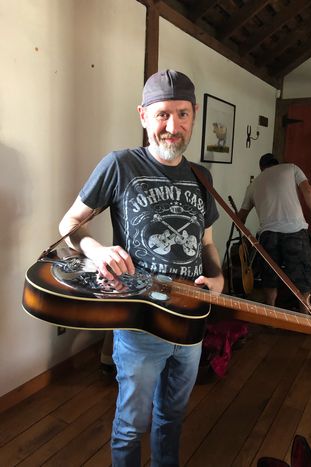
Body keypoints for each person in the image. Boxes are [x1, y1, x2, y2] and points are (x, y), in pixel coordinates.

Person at [59, 69, 224, 467]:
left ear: (194, 115)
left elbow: (206, 242)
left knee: (172, 417)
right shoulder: (120, 164)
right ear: (143, 115)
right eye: (163, 114)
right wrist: (96, 250)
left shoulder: (201, 176)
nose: (173, 126)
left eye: (182, 114)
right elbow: (69, 225)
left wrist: (217, 276)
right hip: (139, 321)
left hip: (190, 317)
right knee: (133, 424)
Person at [238, 153, 311, 311]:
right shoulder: (291, 168)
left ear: (261, 168)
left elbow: (240, 217)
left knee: (269, 276)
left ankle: (271, 310)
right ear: (277, 163)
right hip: (294, 231)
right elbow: (308, 190)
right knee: (301, 273)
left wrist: (246, 235)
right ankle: (305, 312)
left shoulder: (254, 184)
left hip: (268, 234)